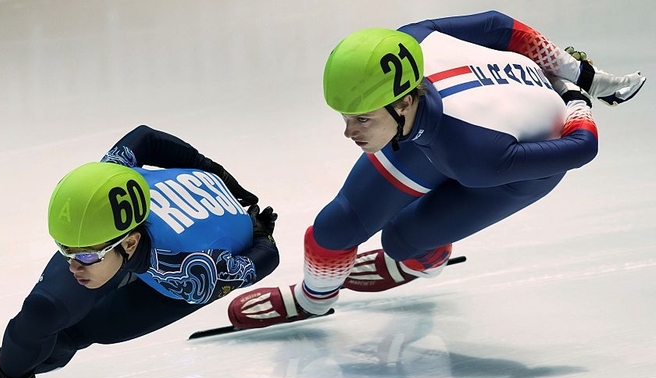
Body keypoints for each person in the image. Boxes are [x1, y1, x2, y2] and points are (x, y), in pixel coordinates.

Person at [228, 10, 645, 328]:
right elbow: (501, 26)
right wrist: (580, 73)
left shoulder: (474, 155)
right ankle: (314, 299)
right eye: (345, 117)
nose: (349, 132)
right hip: (447, 127)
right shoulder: (411, 41)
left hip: (511, 166)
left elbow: (582, 146)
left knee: (401, 240)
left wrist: (574, 96)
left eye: (362, 120)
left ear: (404, 101)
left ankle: (426, 254)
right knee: (335, 227)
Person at [0, 125, 280, 378]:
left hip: (185, 255)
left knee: (86, 330)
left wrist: (261, 236)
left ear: (130, 245)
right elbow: (145, 136)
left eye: (84, 256)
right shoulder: (112, 181)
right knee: (45, 309)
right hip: (148, 224)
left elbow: (268, 257)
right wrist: (209, 167)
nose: (73, 264)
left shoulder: (192, 274)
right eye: (65, 251)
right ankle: (3, 370)